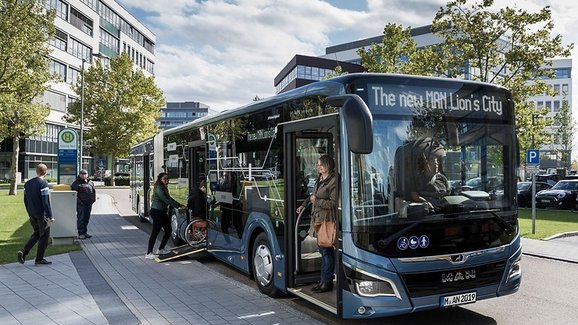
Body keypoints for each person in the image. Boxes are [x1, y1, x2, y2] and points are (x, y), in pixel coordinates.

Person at [296, 154, 338, 293]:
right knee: (323, 251)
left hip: (326, 220)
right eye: (318, 164)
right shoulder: (320, 179)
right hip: (318, 219)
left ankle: (326, 282)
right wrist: (304, 204)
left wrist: (316, 202)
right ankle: (323, 281)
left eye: (320, 164)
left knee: (326, 252)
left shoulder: (333, 181)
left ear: (327, 165)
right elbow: (313, 196)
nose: (318, 166)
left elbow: (333, 203)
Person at [18, 164, 54, 265]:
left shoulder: (28, 184)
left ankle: (24, 252)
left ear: (36, 171)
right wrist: (50, 216)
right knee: (44, 236)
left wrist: (29, 211)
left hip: (32, 213)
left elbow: (25, 200)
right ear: (45, 172)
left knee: (37, 233)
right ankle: (39, 259)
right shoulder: (43, 184)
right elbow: (45, 202)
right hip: (41, 214)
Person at [146, 172, 185, 259]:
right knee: (155, 232)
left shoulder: (163, 188)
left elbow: (169, 198)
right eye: (165, 179)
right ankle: (149, 253)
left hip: (162, 212)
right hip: (157, 212)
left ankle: (160, 249)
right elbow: (166, 200)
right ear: (160, 179)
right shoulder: (159, 188)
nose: (166, 180)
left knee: (168, 230)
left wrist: (178, 204)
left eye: (167, 179)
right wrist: (178, 205)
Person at [410, 138, 450, 211]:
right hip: (428, 214)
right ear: (425, 165)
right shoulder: (418, 179)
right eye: (433, 164)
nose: (436, 165)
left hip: (444, 212)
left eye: (437, 163)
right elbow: (414, 195)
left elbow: (449, 194)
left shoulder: (442, 178)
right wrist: (425, 202)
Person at [71, 169, 96, 239]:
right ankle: (80, 233)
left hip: (89, 204)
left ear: (87, 174)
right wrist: (80, 203)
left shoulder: (90, 182)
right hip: (81, 205)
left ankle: (85, 232)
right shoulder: (76, 183)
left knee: (86, 218)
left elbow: (93, 191)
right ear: (79, 174)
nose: (83, 175)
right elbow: (74, 195)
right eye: (82, 174)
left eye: (85, 174)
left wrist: (93, 200)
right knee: (81, 218)